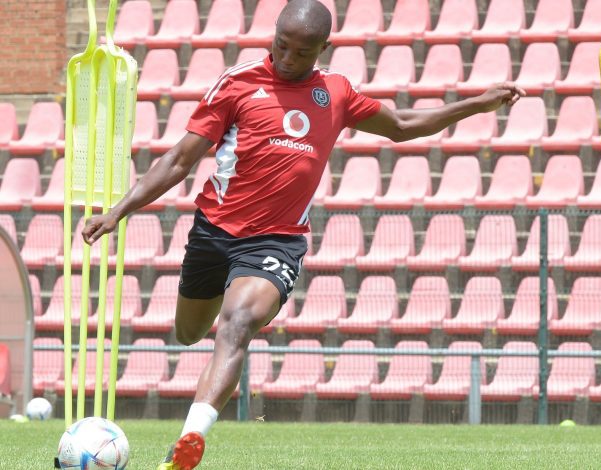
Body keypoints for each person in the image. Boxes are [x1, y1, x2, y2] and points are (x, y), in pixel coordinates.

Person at [82, 1, 525, 468]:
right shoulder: (237, 84)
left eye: (302, 52)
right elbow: (179, 159)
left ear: (323, 48)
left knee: (236, 325)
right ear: (272, 35)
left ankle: (189, 442)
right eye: (282, 46)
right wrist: (119, 211)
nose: (289, 58)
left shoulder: (334, 92)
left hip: (276, 241)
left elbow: (402, 126)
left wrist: (478, 103)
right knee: (190, 331)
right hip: (214, 231)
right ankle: (199, 389)